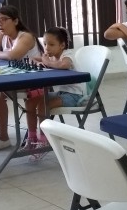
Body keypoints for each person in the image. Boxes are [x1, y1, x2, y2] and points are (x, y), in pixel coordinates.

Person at [0, 5, 42, 151]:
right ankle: (3, 138)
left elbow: (13, 55)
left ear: (16, 21)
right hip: (14, 77)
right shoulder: (2, 35)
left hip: (36, 80)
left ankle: (28, 137)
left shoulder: (25, 36)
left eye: (3, 20)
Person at [23, 27, 86, 160]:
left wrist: (47, 62)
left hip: (74, 96)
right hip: (61, 93)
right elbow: (35, 58)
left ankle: (44, 140)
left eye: (51, 44)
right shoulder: (51, 56)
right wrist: (37, 61)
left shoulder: (67, 55)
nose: (47, 48)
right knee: (30, 101)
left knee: (43, 105)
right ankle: (32, 137)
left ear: (62, 45)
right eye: (45, 44)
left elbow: (64, 65)